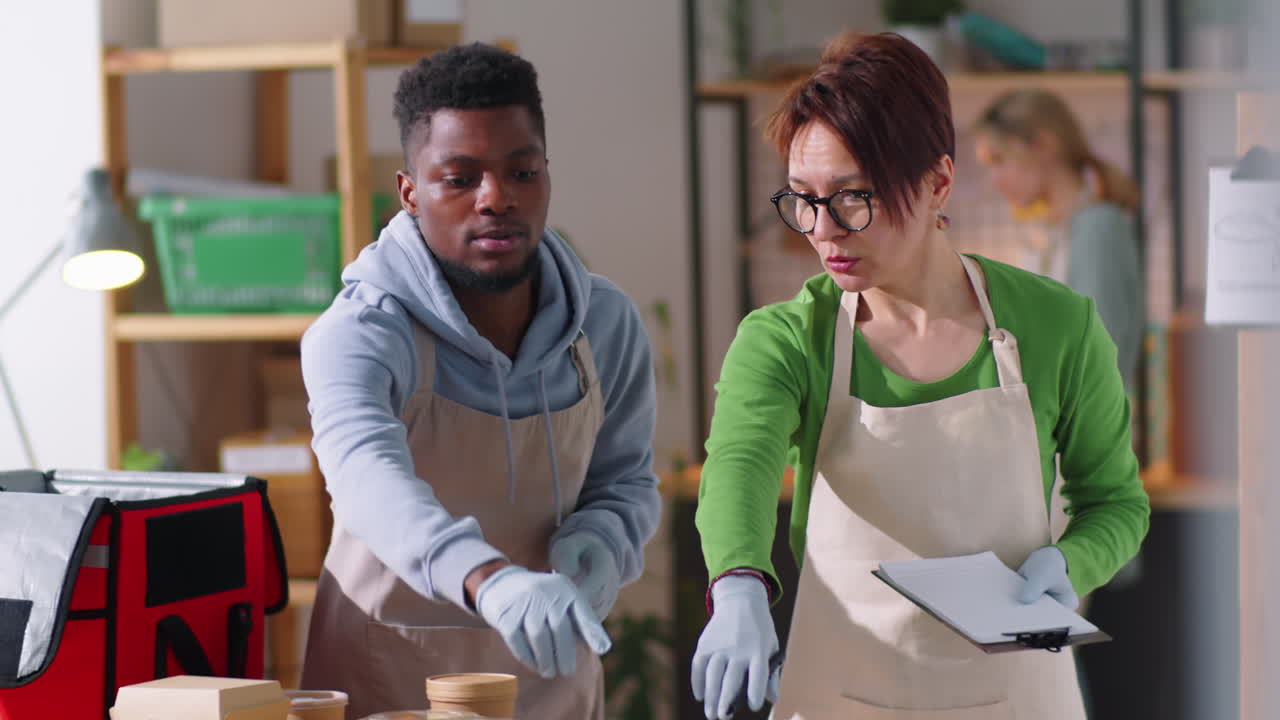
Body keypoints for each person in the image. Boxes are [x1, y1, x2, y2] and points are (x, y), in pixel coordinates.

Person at [690, 32, 1150, 720]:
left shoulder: (1055, 325)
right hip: (841, 699)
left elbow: (1117, 503)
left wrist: (1070, 564)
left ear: (938, 180)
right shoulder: (786, 340)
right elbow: (739, 466)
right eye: (802, 200)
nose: (823, 231)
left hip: (1019, 699)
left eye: (852, 197)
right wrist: (738, 585)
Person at [298, 43, 662, 719]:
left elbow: (627, 481)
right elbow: (368, 484)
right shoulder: (358, 334)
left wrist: (606, 541)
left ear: (546, 175)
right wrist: (490, 580)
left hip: (552, 679)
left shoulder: (605, 324)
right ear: (409, 192)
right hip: (392, 684)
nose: (496, 199)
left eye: (520, 171)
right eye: (459, 179)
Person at [974, 88, 1144, 392]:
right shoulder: (1056, 232)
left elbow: (1100, 359)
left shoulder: (1097, 228)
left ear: (1044, 145)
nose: (994, 180)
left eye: (999, 160)